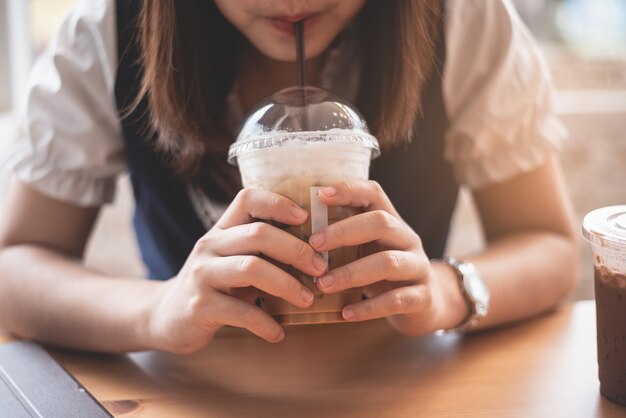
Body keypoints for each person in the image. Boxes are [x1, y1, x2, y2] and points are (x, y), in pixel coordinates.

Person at [0, 0, 578, 354]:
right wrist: (157, 311)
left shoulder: (460, 15)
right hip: (192, 392)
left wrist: (446, 293)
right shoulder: (107, 28)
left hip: (402, 385)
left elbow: (551, 249)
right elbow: (16, 268)